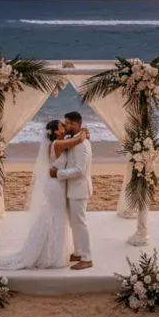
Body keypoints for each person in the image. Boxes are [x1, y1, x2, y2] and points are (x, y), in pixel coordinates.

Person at [0, 121, 90, 271]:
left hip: (58, 183)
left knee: (56, 217)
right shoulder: (58, 144)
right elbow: (78, 140)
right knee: (56, 217)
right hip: (56, 186)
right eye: (61, 126)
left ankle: (53, 251)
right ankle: (51, 255)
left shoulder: (59, 142)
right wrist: (84, 131)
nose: (64, 126)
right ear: (56, 132)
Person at [53, 111, 94, 271]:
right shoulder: (74, 140)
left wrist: (58, 174)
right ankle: (78, 252)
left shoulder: (83, 145)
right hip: (72, 189)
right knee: (74, 224)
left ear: (77, 124)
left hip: (80, 189)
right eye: (65, 123)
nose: (66, 125)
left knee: (80, 223)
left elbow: (80, 170)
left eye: (69, 123)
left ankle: (87, 258)